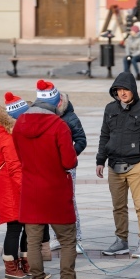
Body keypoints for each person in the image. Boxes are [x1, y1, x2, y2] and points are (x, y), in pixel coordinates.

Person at [12, 79, 91, 279]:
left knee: (33, 242)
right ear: (55, 102)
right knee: (67, 240)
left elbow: (20, 157)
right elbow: (69, 161)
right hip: (56, 191)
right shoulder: (59, 126)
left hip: (31, 193)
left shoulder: (19, 125)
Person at [96, 72, 140, 258]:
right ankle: (121, 241)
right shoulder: (110, 109)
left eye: (126, 89)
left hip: (137, 166)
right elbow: (104, 135)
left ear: (133, 89)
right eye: (118, 90)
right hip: (113, 165)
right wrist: (100, 160)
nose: (122, 93)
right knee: (118, 206)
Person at [0, 92, 32, 279]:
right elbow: (15, 168)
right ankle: (11, 269)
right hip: (11, 189)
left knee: (22, 226)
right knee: (15, 227)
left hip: (8, 187)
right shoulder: (9, 137)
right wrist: (28, 193)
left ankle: (23, 264)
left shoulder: (5, 133)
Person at [49, 85, 87, 254]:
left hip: (67, 167)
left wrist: (69, 156)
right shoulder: (48, 116)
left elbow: (81, 139)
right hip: (49, 166)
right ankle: (56, 237)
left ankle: (77, 239)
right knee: (51, 202)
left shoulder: (70, 117)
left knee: (69, 201)